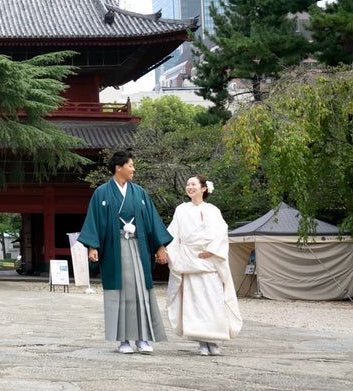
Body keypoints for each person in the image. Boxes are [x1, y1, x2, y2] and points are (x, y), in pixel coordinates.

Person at [78, 151, 172, 355]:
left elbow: (152, 220)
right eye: (131, 165)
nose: (134, 169)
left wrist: (160, 246)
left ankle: (143, 338)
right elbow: (94, 220)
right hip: (115, 248)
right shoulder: (102, 193)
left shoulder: (139, 193)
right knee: (119, 294)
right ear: (118, 167)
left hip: (138, 246)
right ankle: (123, 340)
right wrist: (93, 246)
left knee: (141, 292)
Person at [166, 175, 243, 356]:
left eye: (193, 184)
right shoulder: (181, 209)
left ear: (203, 189)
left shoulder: (213, 210)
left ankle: (214, 340)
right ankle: (201, 341)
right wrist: (168, 252)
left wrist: (213, 251)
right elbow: (173, 233)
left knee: (214, 301)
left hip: (209, 261)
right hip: (189, 259)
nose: (189, 187)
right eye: (187, 185)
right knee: (195, 303)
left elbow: (221, 233)